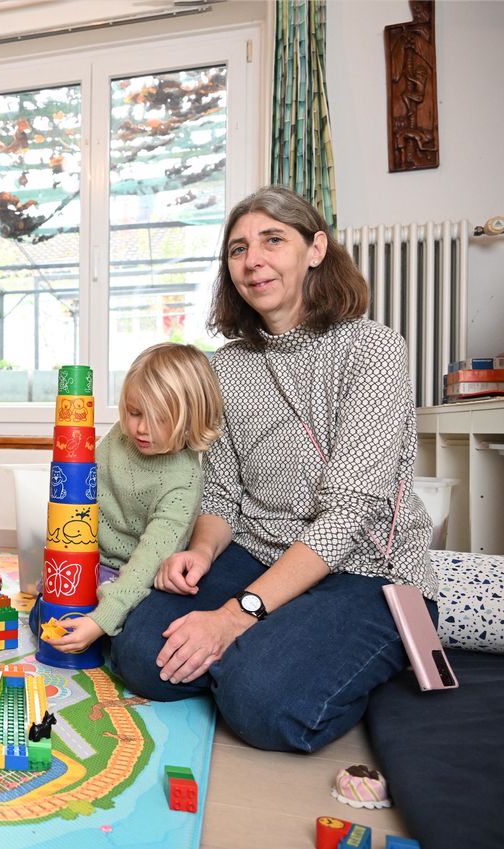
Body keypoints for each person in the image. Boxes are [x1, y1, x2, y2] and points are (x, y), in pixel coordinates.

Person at [109, 185, 438, 753]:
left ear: (315, 249)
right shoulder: (226, 368)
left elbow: (350, 516)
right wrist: (202, 553)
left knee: (261, 702)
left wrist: (237, 617)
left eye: (272, 240)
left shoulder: (374, 349)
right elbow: (222, 494)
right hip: (256, 553)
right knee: (139, 654)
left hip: (364, 570)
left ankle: (281, 659)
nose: (252, 260)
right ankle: (270, 650)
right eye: (238, 249)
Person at [40, 343, 222, 656]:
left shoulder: (184, 480)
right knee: (43, 623)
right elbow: (78, 493)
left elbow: (150, 559)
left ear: (191, 416)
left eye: (159, 419)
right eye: (134, 412)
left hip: (133, 575)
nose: (140, 428)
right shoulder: (119, 438)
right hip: (89, 562)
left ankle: (105, 627)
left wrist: (102, 619)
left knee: (118, 637)